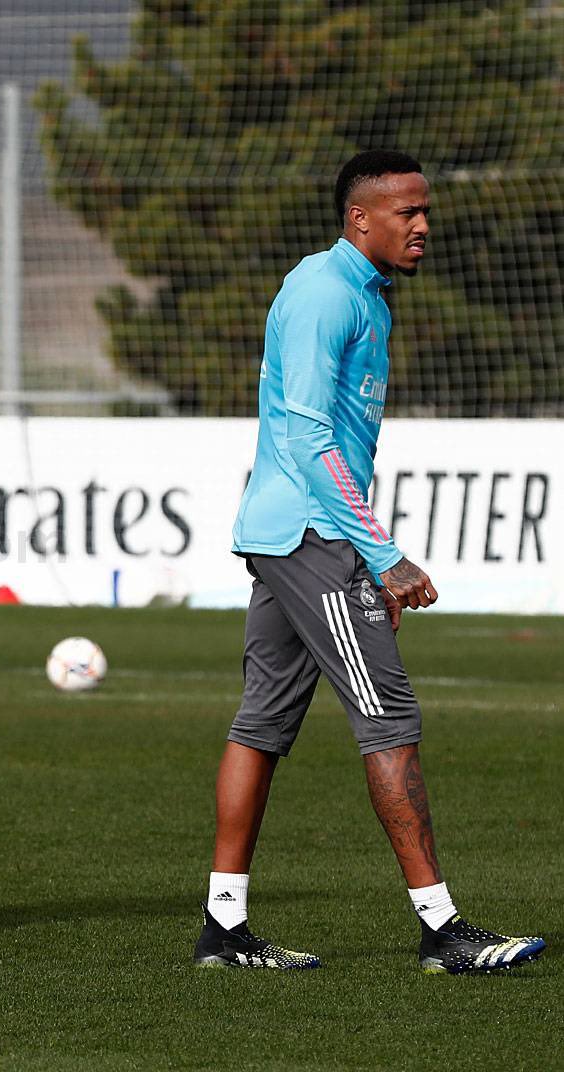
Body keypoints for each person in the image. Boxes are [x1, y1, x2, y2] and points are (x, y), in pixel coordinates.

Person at [196, 150, 545, 974]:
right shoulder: (324, 292)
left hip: (297, 534)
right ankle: (442, 931)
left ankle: (223, 927)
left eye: (426, 212)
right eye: (407, 214)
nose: (423, 227)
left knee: (262, 724)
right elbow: (308, 433)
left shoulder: (365, 294)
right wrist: (381, 557)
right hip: (312, 536)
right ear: (360, 219)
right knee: (389, 720)